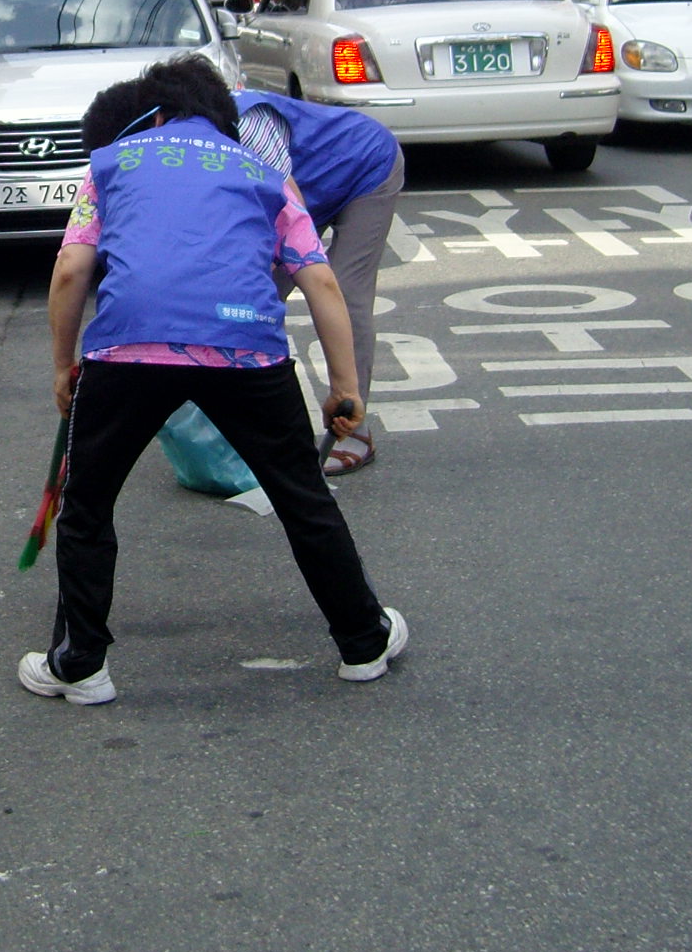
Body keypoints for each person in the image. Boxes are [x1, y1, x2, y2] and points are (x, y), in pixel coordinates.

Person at [22, 55, 405, 706]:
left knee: (88, 505)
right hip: (245, 350)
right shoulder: (263, 172)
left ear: (157, 110)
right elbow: (320, 283)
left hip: (128, 347)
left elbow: (69, 273)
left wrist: (64, 366)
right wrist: (346, 390)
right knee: (303, 498)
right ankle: (363, 642)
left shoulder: (109, 166)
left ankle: (80, 665)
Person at [233, 88, 402, 477]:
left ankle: (353, 428)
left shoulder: (247, 124)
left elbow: (294, 217)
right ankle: (238, 422)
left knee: (341, 292)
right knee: (249, 299)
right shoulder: (174, 136)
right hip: (306, 186)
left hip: (366, 165)